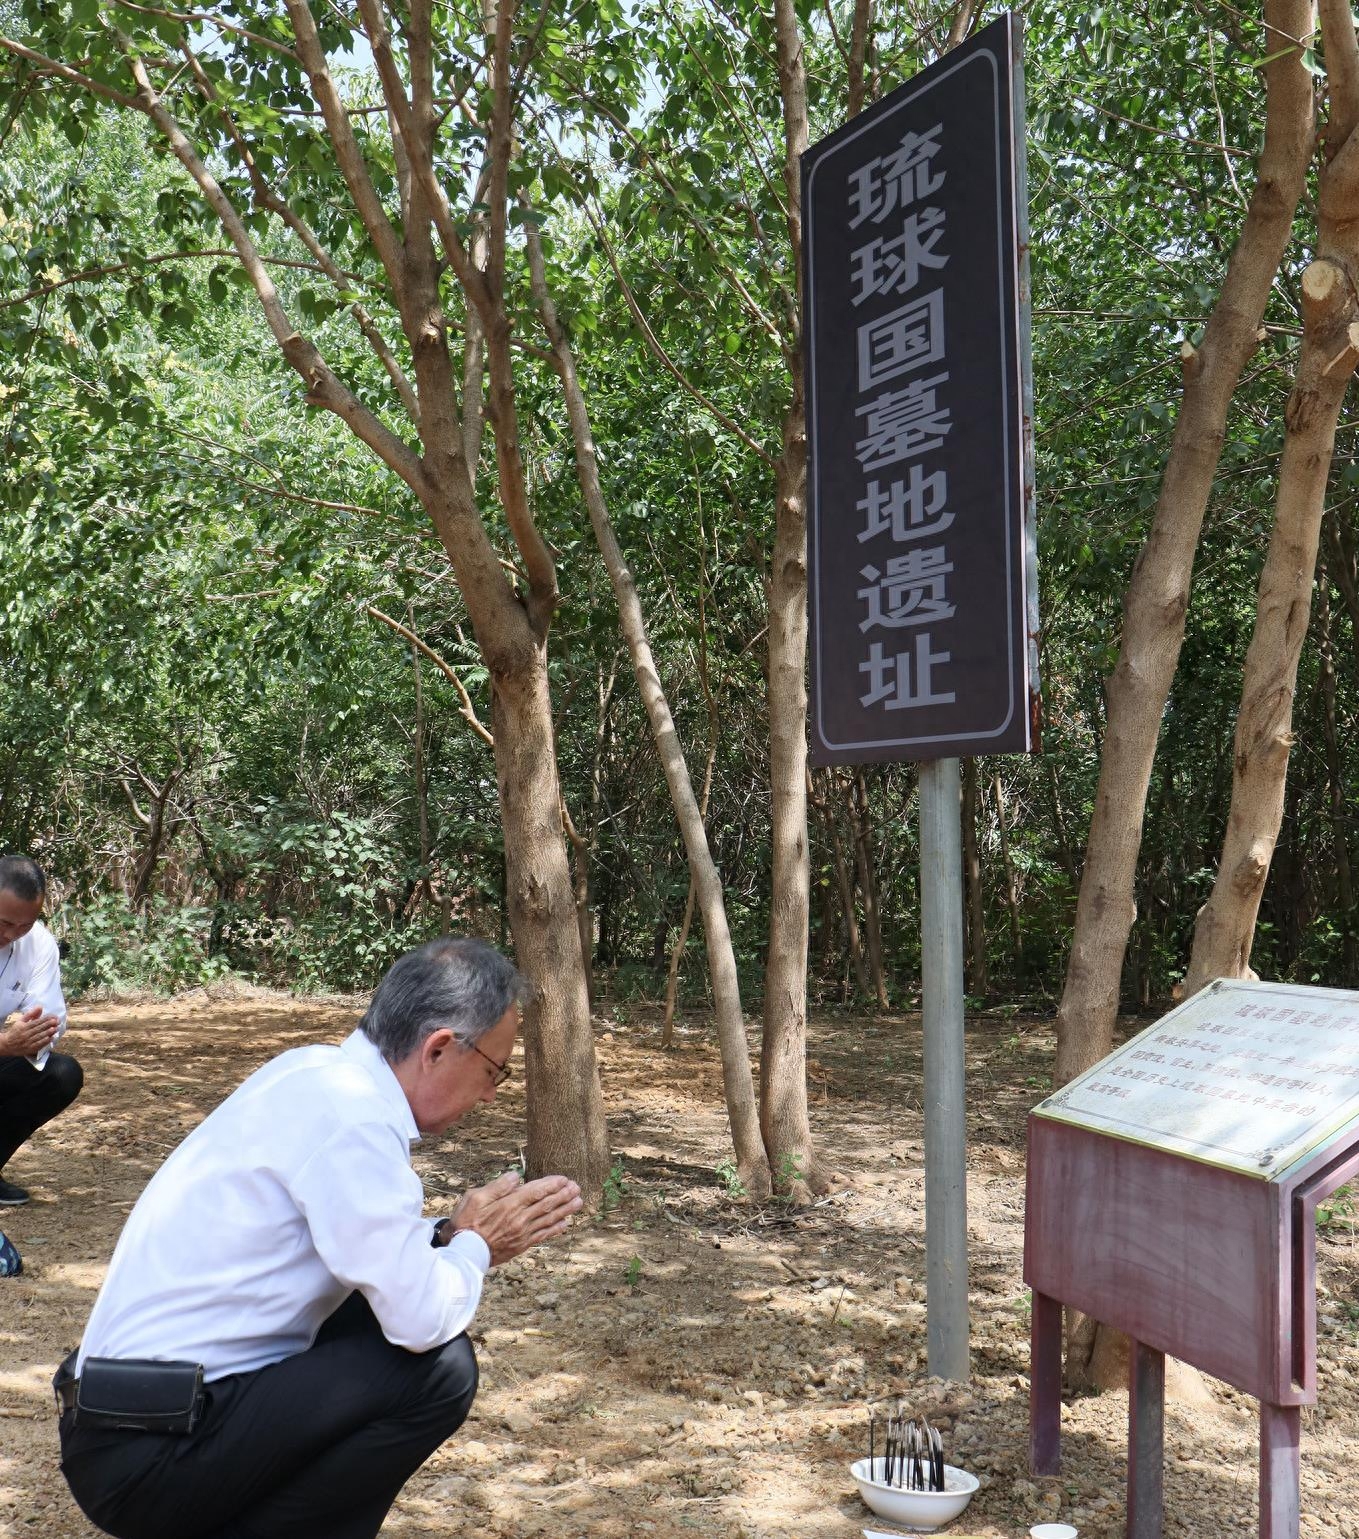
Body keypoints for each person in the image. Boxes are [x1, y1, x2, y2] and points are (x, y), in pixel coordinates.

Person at [57, 935, 582, 1539]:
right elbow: (420, 1319)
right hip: (148, 1453)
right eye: (495, 1071)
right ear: (438, 1048)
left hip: (127, 1423)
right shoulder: (353, 1119)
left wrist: (449, 1234)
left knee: (373, 1316)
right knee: (441, 1370)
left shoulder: (314, 1072)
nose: (490, 1094)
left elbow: (365, 1250)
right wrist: (478, 1246)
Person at [0, 854, 83, 1205]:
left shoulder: (38, 944)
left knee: (61, 1074)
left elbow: (50, 1017)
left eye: (24, 925)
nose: (11, 934)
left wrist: (35, 1036)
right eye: (4, 922)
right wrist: (5, 1044)